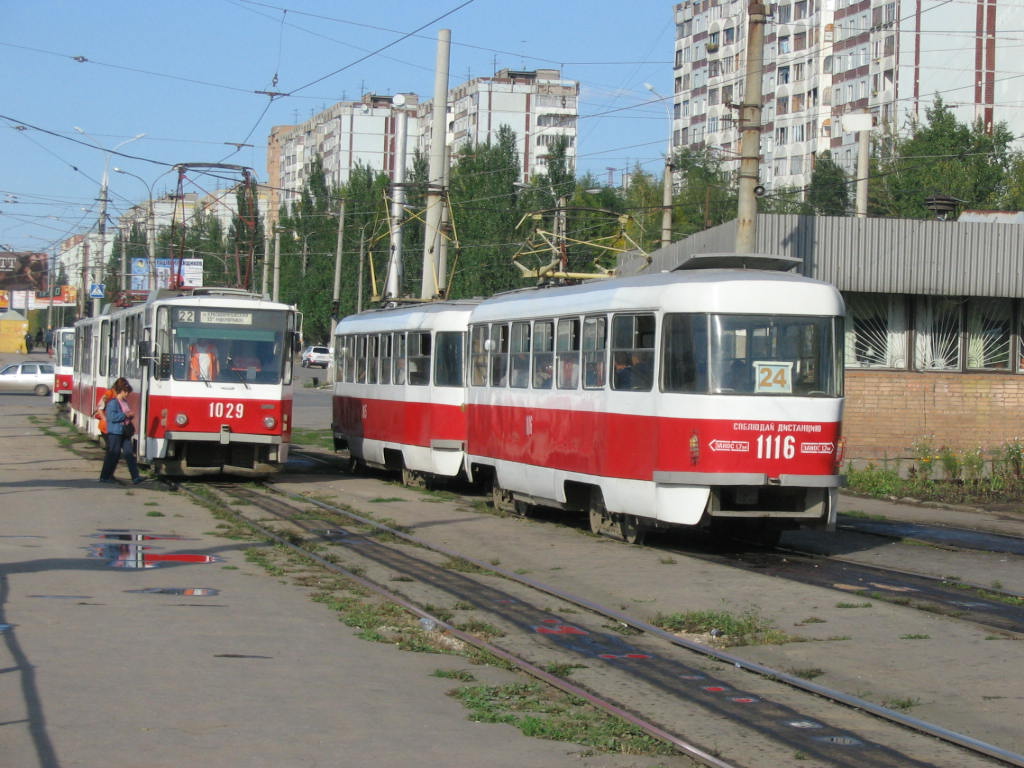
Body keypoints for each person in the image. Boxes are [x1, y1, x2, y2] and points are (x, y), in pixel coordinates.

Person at [99, 377, 143, 485]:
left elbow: (125, 414)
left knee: (129, 454)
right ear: (121, 391)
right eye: (126, 392)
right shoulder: (113, 403)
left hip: (124, 432)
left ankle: (135, 477)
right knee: (113, 454)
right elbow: (111, 417)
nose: (127, 394)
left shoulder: (124, 402)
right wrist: (125, 415)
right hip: (115, 432)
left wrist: (129, 416)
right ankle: (105, 477)